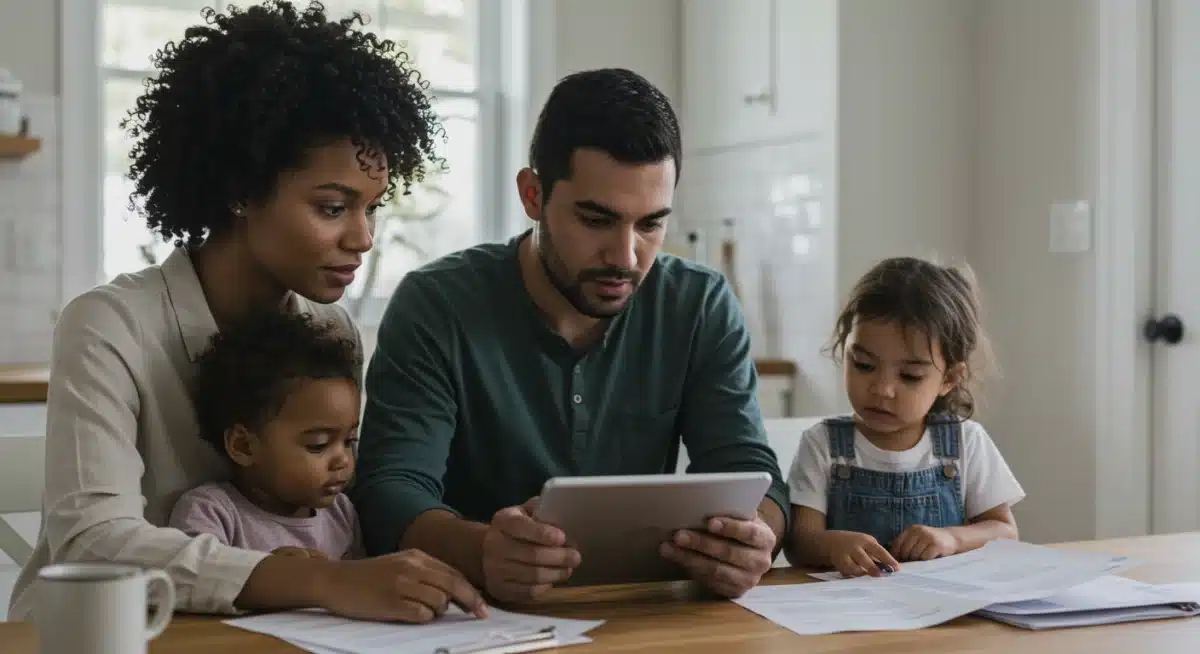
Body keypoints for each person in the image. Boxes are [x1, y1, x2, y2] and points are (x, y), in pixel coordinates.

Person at [9, 0, 486, 624]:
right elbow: (93, 541)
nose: (363, 238)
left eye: (371, 208)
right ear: (240, 190)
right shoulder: (109, 328)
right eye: (333, 207)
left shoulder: (328, 331)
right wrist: (322, 580)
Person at [351, 67, 790, 604]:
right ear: (532, 195)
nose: (626, 258)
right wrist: (481, 550)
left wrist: (756, 539)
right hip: (473, 619)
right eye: (597, 220)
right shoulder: (437, 305)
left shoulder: (699, 305)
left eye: (651, 224)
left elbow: (755, 478)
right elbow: (389, 493)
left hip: (644, 619)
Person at [784, 257, 1024, 579]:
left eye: (909, 376)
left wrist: (952, 538)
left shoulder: (966, 442)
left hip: (942, 607)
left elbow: (1005, 531)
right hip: (849, 609)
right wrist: (832, 546)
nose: (882, 390)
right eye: (864, 365)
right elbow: (799, 541)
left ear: (950, 378)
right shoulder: (822, 444)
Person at [168, 309, 364, 561]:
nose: (343, 460)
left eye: (349, 441)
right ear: (244, 446)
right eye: (319, 445)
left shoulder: (341, 513)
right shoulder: (212, 513)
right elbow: (195, 587)